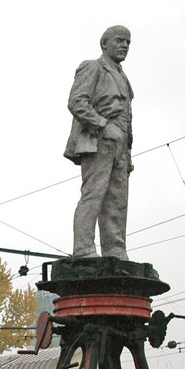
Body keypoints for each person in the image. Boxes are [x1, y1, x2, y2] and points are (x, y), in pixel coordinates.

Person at [64, 25, 135, 260]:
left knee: (117, 200)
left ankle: (114, 249)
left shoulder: (123, 77)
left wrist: (128, 152)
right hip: (97, 142)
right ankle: (83, 248)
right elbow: (77, 102)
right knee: (94, 195)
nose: (125, 45)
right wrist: (103, 125)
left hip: (120, 147)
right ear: (104, 44)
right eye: (119, 40)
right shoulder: (93, 67)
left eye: (128, 42)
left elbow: (127, 117)